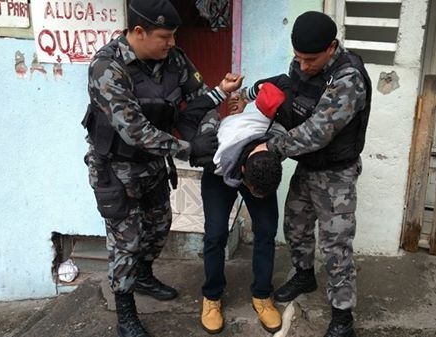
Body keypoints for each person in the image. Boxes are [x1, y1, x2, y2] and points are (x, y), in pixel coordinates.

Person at [80, 0, 242, 336]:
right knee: (125, 242)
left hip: (153, 165)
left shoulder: (175, 59)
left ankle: (143, 275)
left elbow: (200, 101)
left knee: (158, 225)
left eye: (173, 36)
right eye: (164, 36)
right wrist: (187, 148)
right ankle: (125, 312)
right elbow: (133, 130)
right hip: (116, 168)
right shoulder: (107, 67)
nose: (171, 43)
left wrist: (209, 134)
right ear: (139, 32)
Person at [234, 11, 372, 337]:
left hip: (336, 175)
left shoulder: (348, 78)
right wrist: (252, 104)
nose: (303, 65)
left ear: (331, 47)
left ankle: (342, 318)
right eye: (298, 58)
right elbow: (290, 96)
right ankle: (304, 274)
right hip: (307, 167)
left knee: (336, 246)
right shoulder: (303, 66)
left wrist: (272, 149)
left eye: (310, 59)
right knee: (295, 227)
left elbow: (318, 132)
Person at [191, 82, 289, 334]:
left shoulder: (280, 140)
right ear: (244, 171)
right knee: (215, 234)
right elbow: (202, 128)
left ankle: (262, 295)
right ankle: (212, 296)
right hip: (220, 171)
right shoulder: (218, 154)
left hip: (259, 162)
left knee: (266, 231)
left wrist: (247, 96)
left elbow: (276, 84)